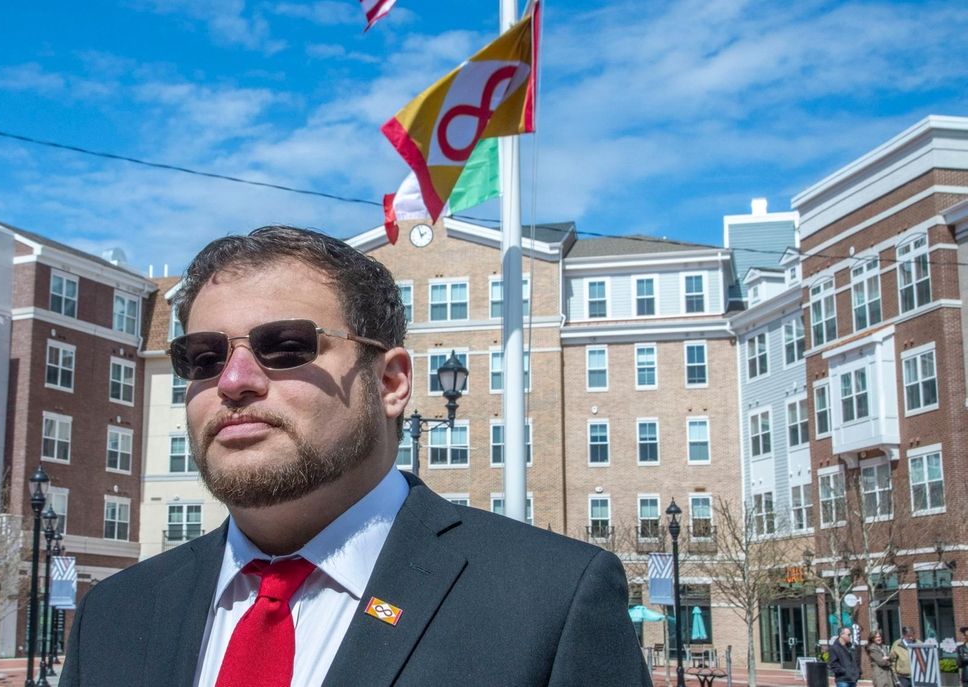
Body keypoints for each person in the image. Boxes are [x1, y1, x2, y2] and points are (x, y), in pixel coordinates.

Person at [59, 226, 651, 686]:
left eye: (286, 347)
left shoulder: (550, 600)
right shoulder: (114, 614)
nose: (234, 380)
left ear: (391, 383)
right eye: (203, 358)